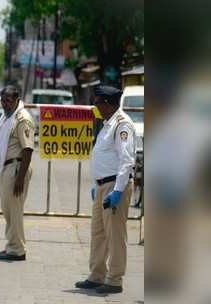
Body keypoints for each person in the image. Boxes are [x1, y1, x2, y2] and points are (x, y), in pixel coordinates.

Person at [75, 85, 136, 294]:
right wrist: (95, 185)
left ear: (108, 103)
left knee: (115, 235)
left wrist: (118, 191)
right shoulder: (106, 124)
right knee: (98, 233)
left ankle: (114, 279)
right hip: (102, 185)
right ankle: (97, 275)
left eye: (98, 102)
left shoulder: (122, 125)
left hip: (114, 185)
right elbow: (101, 158)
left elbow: (126, 161)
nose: (95, 106)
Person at [0, 85, 34, 261]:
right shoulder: (7, 117)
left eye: (8, 100)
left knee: (14, 210)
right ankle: (13, 245)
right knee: (9, 210)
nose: (5, 104)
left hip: (16, 169)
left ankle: (17, 249)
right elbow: (4, 140)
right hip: (7, 168)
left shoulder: (22, 119)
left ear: (17, 99)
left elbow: (27, 149)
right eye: (2, 100)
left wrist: (20, 178)